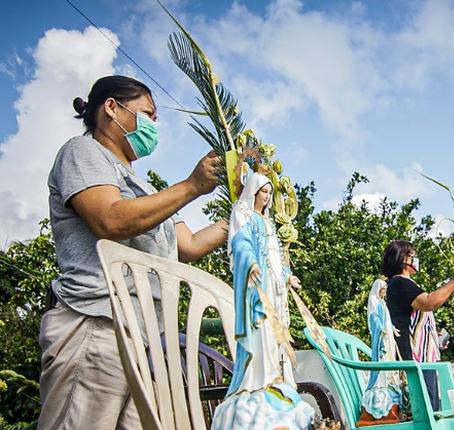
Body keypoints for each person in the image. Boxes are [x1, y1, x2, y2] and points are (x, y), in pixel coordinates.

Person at [40, 75, 228, 429]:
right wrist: (191, 187)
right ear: (112, 108)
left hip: (144, 337)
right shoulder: (83, 153)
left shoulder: (144, 188)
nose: (154, 126)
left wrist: (243, 213)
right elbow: (110, 219)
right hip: (99, 322)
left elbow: (189, 246)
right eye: (148, 114)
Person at [211, 169, 314, 429]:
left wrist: (288, 276)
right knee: (262, 332)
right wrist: (251, 263)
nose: (267, 197)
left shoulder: (267, 222)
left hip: (275, 287)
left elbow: (276, 257)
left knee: (276, 336)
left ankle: (275, 379)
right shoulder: (246, 216)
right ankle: (258, 379)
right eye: (263, 192)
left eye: (269, 192)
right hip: (258, 287)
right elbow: (240, 243)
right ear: (254, 192)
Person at [381, 240, 454, 412]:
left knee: (432, 407)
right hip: (416, 361)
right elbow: (429, 302)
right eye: (412, 255)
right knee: (427, 410)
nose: (416, 259)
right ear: (402, 259)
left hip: (424, 359)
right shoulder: (399, 282)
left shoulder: (407, 284)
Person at [357, 278, 403, 425]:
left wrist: (392, 329)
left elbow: (387, 319)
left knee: (390, 358)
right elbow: (374, 317)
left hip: (388, 336)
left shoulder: (382, 302)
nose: (384, 292)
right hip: (381, 337)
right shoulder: (373, 300)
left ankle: (387, 384)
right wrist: (380, 328)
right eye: (383, 290)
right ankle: (379, 385)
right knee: (382, 359)